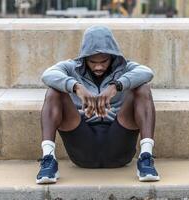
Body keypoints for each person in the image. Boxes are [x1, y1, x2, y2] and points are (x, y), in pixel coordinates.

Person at [36, 25, 160, 184]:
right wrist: (76, 87)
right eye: (93, 62)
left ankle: (146, 157)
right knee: (54, 92)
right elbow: (48, 75)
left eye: (104, 61)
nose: (99, 66)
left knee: (142, 88)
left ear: (112, 56)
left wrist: (116, 86)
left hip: (118, 144)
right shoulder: (71, 67)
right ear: (84, 58)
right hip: (82, 146)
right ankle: (48, 159)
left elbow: (147, 72)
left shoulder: (125, 68)